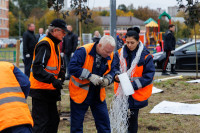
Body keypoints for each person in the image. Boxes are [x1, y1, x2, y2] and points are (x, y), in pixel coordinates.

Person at [68, 35, 116, 133]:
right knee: (76, 126)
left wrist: (108, 79)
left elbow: (114, 70)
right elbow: (72, 68)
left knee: (104, 125)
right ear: (99, 45)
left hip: (98, 93)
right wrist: (89, 76)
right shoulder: (83, 51)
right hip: (80, 93)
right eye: (107, 51)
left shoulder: (110, 54)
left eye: (110, 52)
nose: (108, 54)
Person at [113, 27, 155, 133]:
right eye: (127, 42)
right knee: (121, 117)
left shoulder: (146, 56)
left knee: (132, 119)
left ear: (138, 41)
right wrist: (116, 75)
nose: (129, 45)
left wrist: (133, 85)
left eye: (132, 42)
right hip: (121, 92)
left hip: (136, 93)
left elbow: (148, 76)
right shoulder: (119, 53)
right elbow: (114, 68)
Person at [29, 19, 67, 133]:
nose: (64, 35)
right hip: (41, 91)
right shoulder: (45, 44)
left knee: (53, 121)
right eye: (63, 32)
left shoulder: (54, 44)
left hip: (49, 91)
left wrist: (61, 72)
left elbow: (53, 65)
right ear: (55, 31)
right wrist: (52, 80)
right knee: (42, 124)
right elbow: (37, 68)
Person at [0, 61, 33, 133]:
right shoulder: (7, 66)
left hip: (2, 123)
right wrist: (18, 99)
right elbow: (25, 83)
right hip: (20, 117)